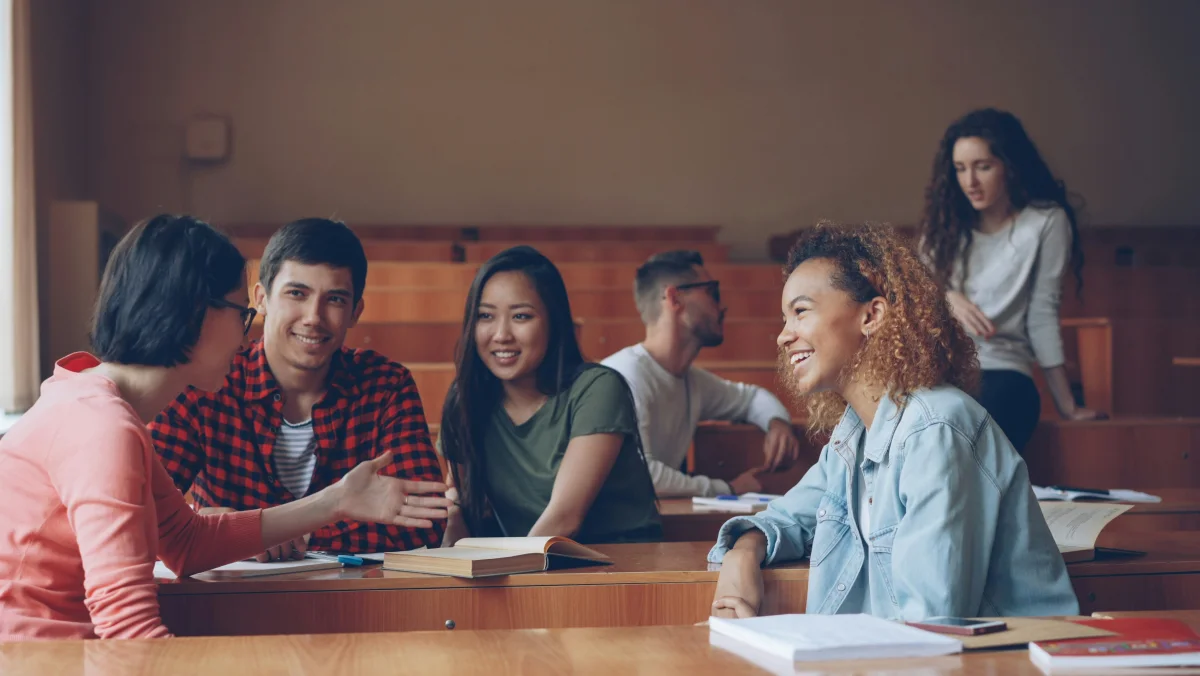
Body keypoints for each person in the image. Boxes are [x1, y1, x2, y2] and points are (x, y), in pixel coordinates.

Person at [0, 215, 452, 641]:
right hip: (39, 655)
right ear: (196, 313)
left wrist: (336, 501)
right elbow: (129, 632)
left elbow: (184, 544)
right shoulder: (104, 429)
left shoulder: (100, 406)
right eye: (243, 315)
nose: (244, 338)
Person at [708, 222, 1078, 621]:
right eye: (785, 318)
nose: (783, 336)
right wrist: (742, 555)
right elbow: (787, 517)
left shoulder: (935, 429)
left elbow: (932, 622)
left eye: (800, 311)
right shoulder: (854, 436)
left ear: (873, 315)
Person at [150, 218, 446, 559]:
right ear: (261, 299)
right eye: (297, 294)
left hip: (354, 600)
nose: (313, 317)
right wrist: (229, 530)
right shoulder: (205, 382)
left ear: (355, 312)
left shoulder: (387, 386)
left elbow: (425, 523)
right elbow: (145, 521)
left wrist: (248, 533)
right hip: (226, 600)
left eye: (334, 299)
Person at [439, 246, 661, 544]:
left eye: (521, 316)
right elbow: (458, 492)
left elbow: (564, 518)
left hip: (616, 564)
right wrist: (453, 522)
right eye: (485, 316)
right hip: (529, 563)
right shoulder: (466, 397)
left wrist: (512, 577)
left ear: (553, 323)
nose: (501, 334)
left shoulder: (597, 388)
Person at [919, 108, 1105, 453]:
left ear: (1010, 166)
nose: (970, 182)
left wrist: (1068, 405)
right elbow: (913, 304)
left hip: (1002, 372)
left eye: (983, 167)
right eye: (960, 169)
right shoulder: (943, 227)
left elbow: (1042, 314)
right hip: (940, 368)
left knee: (966, 428)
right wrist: (945, 299)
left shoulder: (1045, 223)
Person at [602, 250, 800, 498]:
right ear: (674, 298)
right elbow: (639, 473)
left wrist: (777, 423)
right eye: (712, 292)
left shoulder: (692, 381)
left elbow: (751, 399)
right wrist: (727, 489)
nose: (722, 306)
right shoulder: (624, 376)